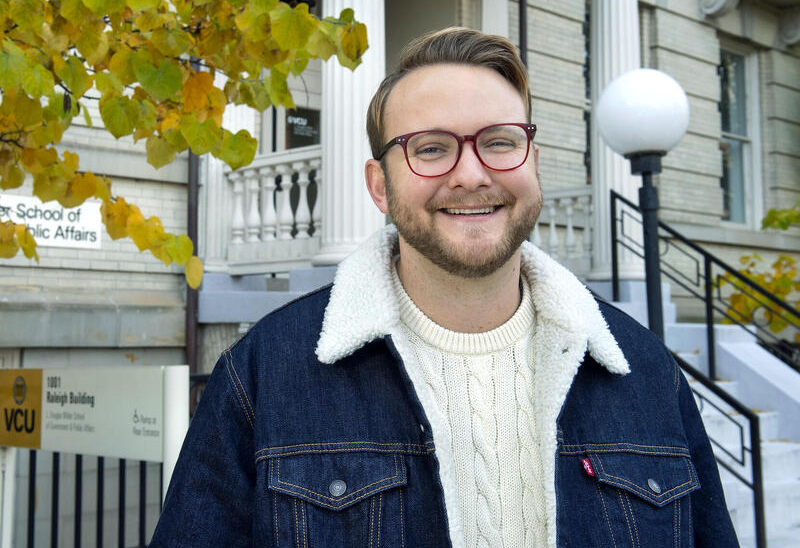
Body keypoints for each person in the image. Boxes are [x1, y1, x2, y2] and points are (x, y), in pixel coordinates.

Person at [150, 28, 738, 548]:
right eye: (431, 148)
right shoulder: (263, 375)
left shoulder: (646, 372)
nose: (472, 174)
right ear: (380, 187)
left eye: (500, 141)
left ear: (534, 162)